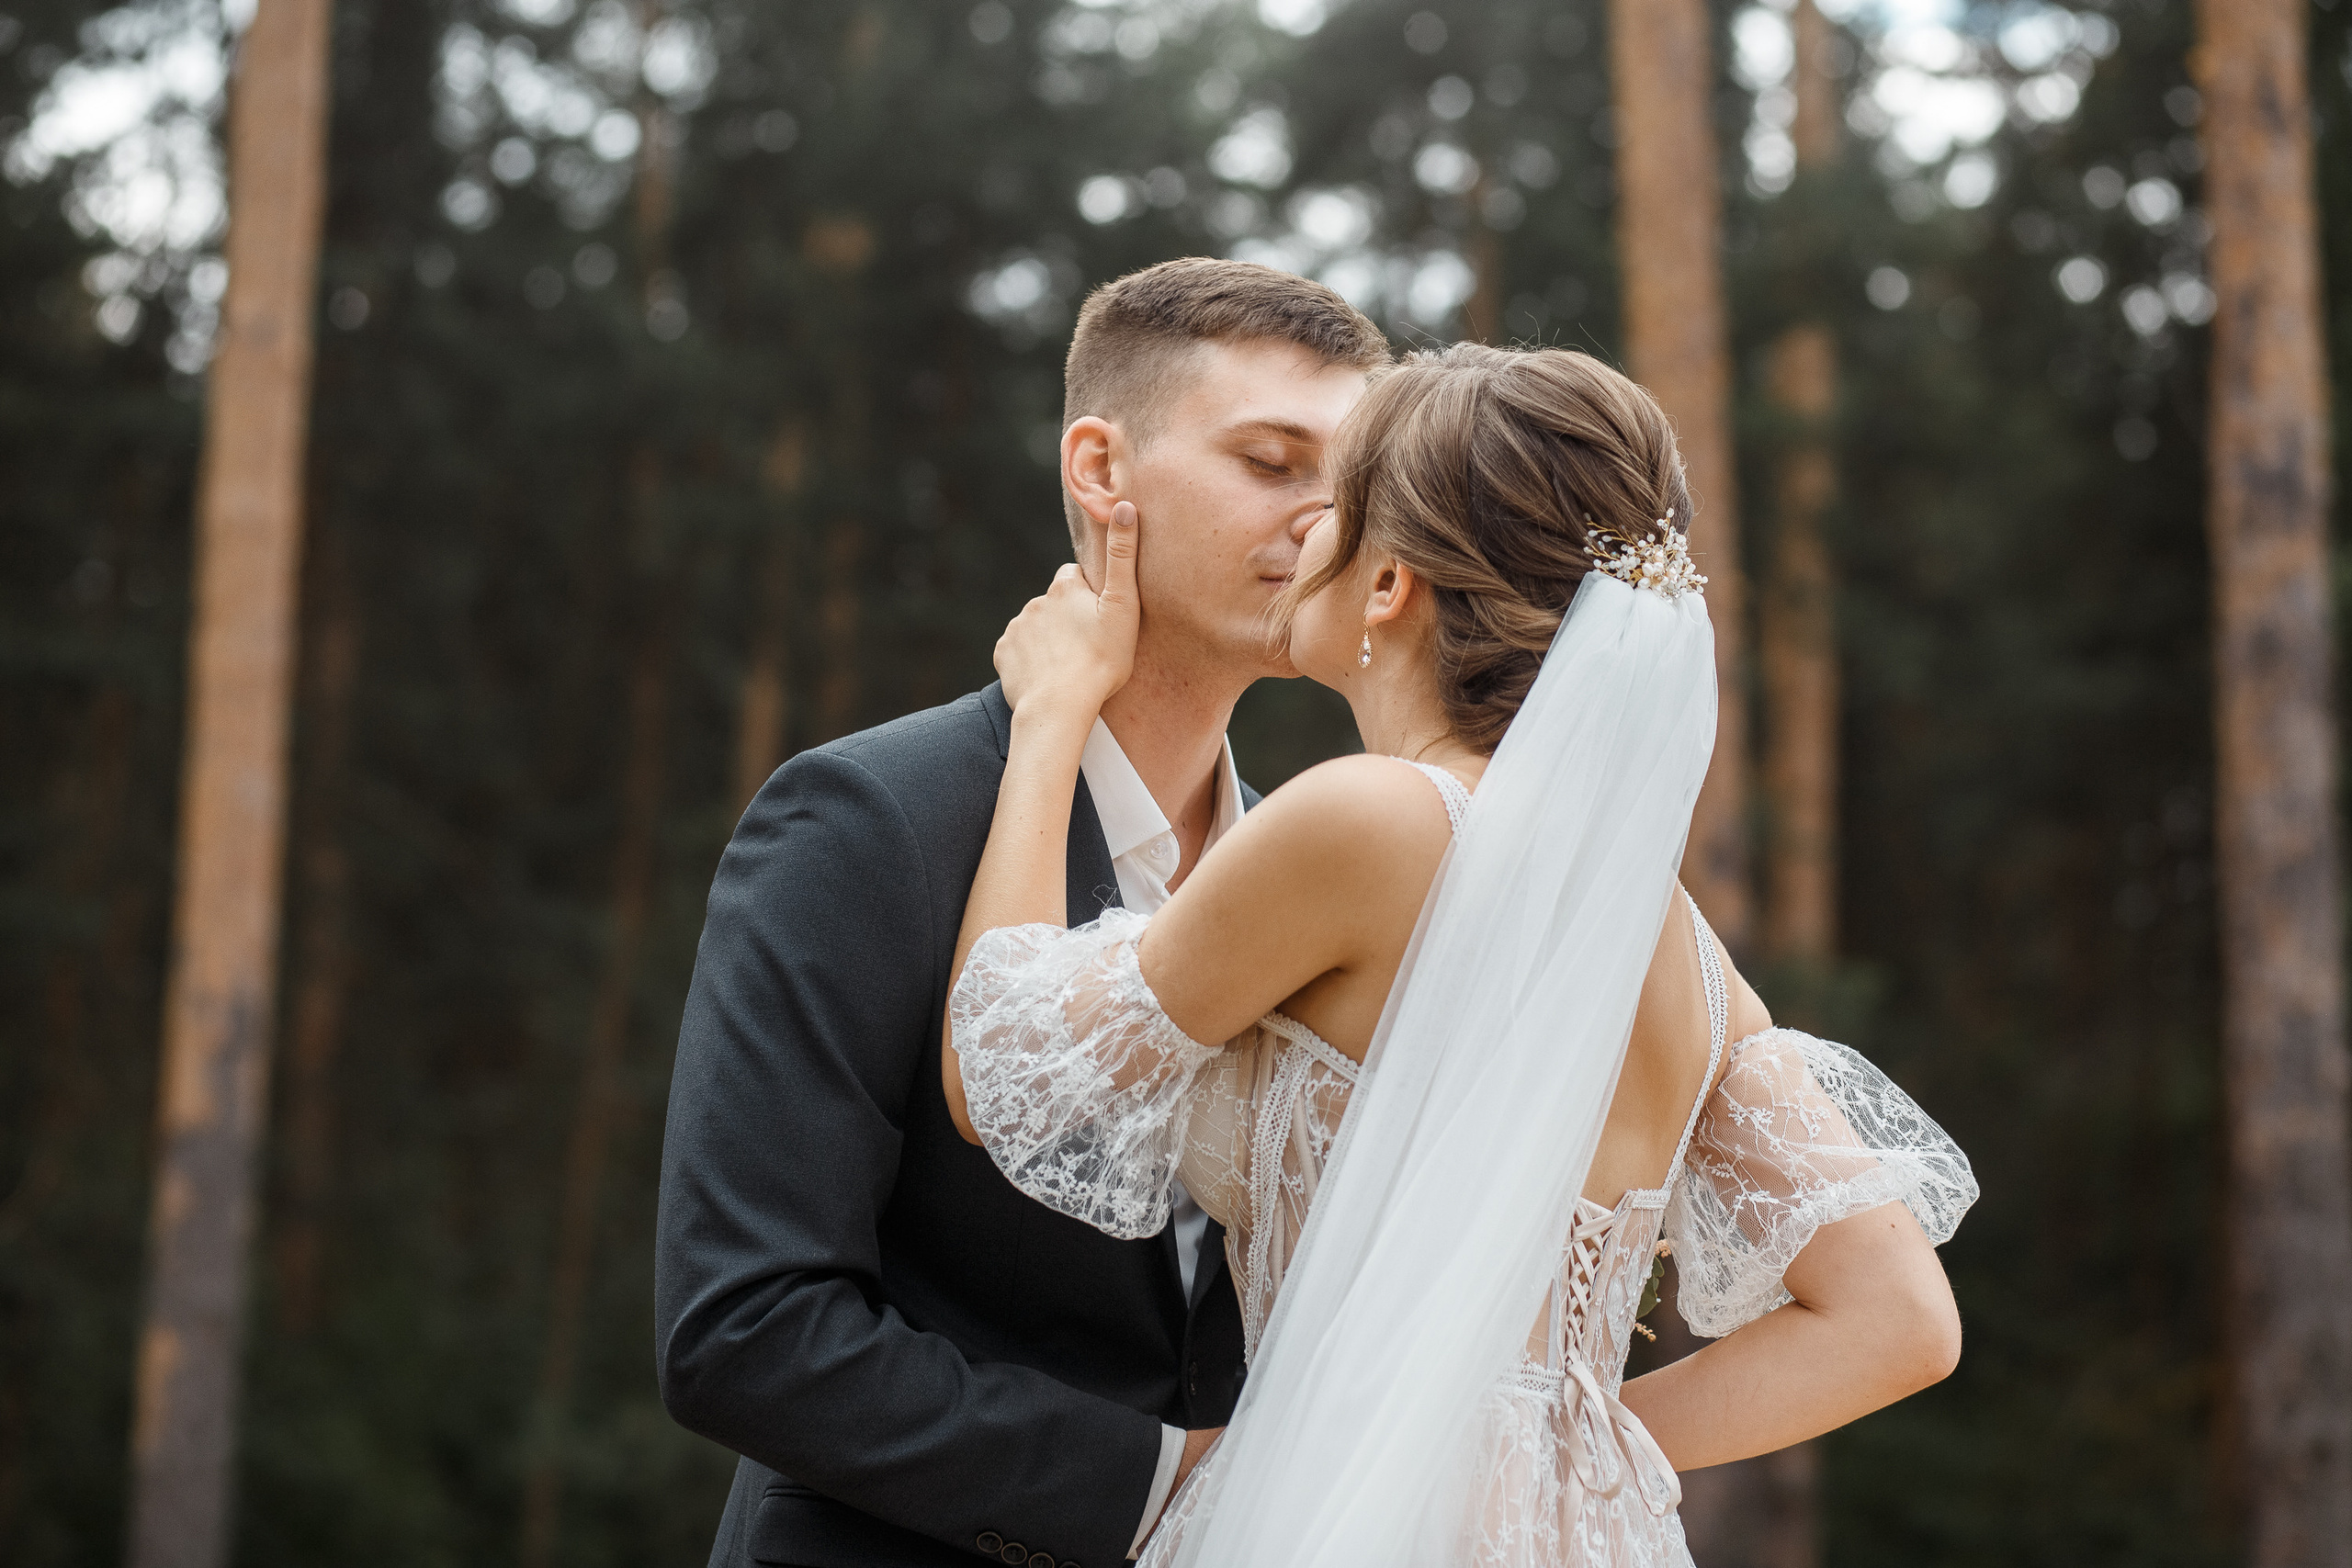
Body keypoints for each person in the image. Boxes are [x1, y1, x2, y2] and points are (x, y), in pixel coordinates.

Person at [946, 344, 1978, 1567]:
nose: (1302, 529)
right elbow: (1900, 1319)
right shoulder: (1674, 945)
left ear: (1388, 584)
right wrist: (1561, 1442)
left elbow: (1005, 1072)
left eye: (1335, 503)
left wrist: (1051, 716)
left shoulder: (1369, 821)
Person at [653, 258, 1389, 1568]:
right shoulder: (865, 821)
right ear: (1103, 473)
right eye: (1273, 462)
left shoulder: (1324, 875)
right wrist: (1167, 1481)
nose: (1323, 523)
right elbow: (744, 1331)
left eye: (1352, 486)